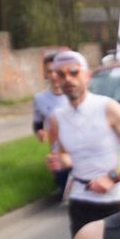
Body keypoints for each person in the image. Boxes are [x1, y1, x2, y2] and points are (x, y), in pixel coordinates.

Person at [44, 51, 120, 238]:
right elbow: (65, 155)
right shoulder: (56, 118)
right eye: (61, 74)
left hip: (115, 199)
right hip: (80, 200)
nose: (68, 78)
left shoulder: (107, 107)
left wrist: (112, 177)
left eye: (73, 71)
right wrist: (59, 161)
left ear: (86, 76)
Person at [33, 50, 72, 193]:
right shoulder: (39, 99)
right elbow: (37, 122)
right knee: (68, 195)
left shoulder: (74, 93)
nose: (54, 76)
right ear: (46, 74)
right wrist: (39, 131)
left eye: (58, 71)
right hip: (58, 154)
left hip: (81, 150)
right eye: (50, 72)